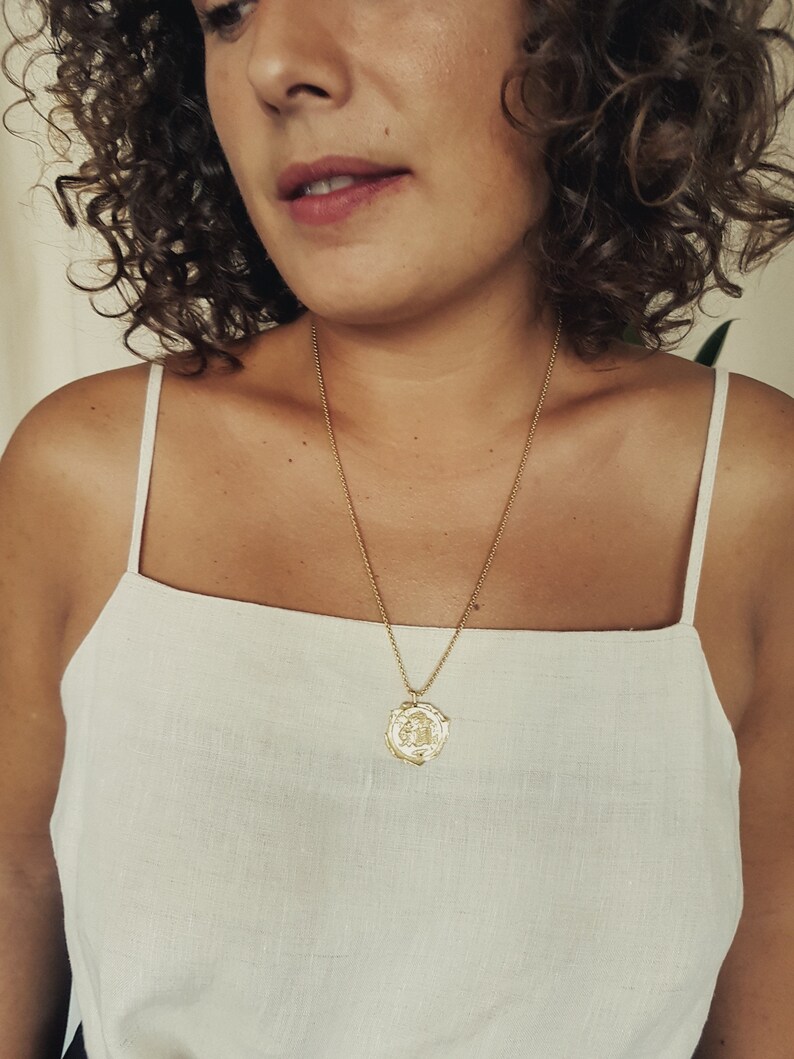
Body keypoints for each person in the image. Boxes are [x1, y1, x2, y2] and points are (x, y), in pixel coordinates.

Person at [1, 0, 793, 1056]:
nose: (277, 65)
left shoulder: (749, 499)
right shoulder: (88, 481)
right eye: (225, 13)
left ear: (580, 32)